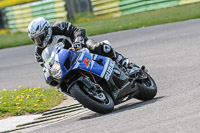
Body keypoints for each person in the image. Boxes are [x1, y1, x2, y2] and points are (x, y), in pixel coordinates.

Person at [28, 17, 135, 86]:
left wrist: (78, 41)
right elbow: (45, 67)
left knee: (100, 48)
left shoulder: (59, 26)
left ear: (47, 30)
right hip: (66, 65)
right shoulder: (38, 53)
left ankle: (125, 63)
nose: (39, 40)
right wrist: (48, 74)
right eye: (35, 39)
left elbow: (78, 30)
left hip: (80, 47)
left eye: (40, 36)